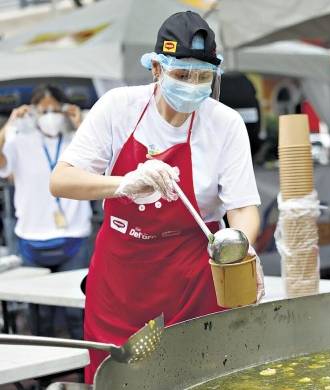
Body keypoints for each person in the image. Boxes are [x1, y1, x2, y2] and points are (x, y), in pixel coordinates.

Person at [50, 11, 263, 382]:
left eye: (202, 77)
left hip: (193, 279)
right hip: (122, 281)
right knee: (116, 379)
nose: (192, 85)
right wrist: (123, 184)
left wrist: (243, 248)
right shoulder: (119, 108)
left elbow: (243, 205)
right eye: (181, 75)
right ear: (156, 70)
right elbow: (62, 180)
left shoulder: (224, 123)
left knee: (201, 378)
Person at [0, 84, 92, 338]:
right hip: (32, 237)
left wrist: (81, 124)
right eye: (43, 110)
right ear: (32, 112)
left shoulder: (77, 140)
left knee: (77, 310)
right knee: (38, 314)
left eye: (55, 109)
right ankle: (44, 373)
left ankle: (81, 366)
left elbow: (103, 162)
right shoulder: (20, 140)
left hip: (74, 236)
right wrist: (8, 126)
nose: (50, 115)